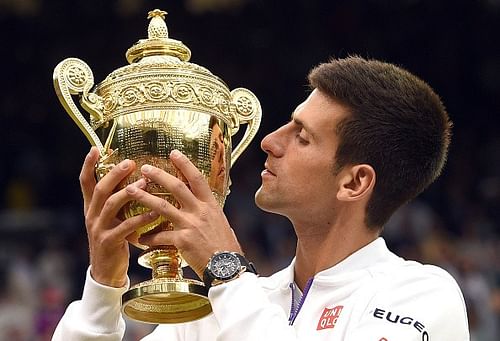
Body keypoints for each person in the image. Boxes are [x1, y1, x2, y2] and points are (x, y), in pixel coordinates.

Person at [52, 56, 470, 340]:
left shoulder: (420, 296)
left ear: (354, 183)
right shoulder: (213, 316)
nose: (270, 141)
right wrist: (103, 287)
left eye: (302, 137)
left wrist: (226, 271)